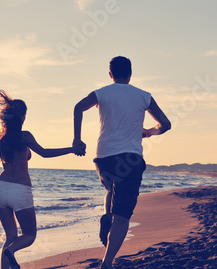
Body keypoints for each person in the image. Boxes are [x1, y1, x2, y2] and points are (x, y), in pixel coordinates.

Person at [73, 56, 171, 269]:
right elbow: (165, 124)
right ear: (130, 74)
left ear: (110, 74)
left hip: (103, 158)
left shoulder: (102, 93)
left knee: (111, 187)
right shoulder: (144, 96)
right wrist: (150, 132)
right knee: (123, 215)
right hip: (130, 159)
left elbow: (78, 107)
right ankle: (107, 263)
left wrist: (77, 139)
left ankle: (107, 215)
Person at [0, 90, 79, 269]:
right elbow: (45, 153)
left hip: (0, 190)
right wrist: (71, 149)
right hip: (20, 189)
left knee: (10, 236)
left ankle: (8, 255)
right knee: (29, 235)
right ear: (22, 116)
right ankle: (11, 252)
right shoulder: (25, 136)